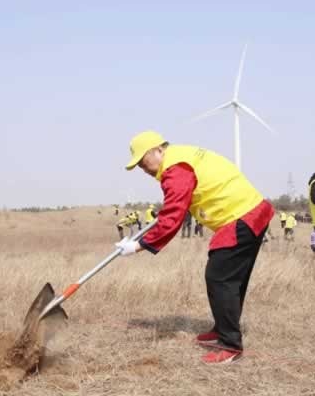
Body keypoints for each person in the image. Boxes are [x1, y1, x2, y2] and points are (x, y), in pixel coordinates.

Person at [117, 131, 274, 363]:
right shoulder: (182, 156)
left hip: (242, 216)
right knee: (232, 279)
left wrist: (138, 245)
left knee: (219, 278)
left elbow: (172, 218)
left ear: (158, 150)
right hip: (253, 211)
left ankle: (230, 346)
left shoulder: (175, 168)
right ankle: (222, 329)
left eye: (143, 161)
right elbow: (177, 202)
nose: (143, 168)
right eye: (138, 165)